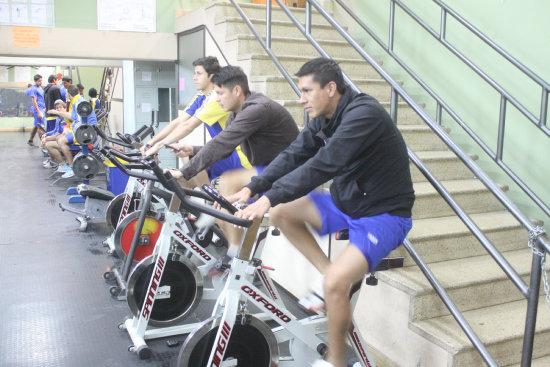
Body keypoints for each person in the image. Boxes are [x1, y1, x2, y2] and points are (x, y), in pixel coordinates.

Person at [227, 58, 415, 367]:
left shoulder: (363, 114)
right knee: (283, 213)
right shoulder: (323, 118)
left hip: (384, 215)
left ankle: (336, 361)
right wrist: (253, 188)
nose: (301, 99)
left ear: (331, 88)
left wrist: (269, 196)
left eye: (306, 91)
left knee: (333, 286)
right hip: (347, 204)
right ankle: (329, 275)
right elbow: (294, 154)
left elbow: (324, 163)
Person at [167, 65, 299, 258]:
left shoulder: (257, 109)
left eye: (220, 93)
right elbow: (226, 148)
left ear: (237, 90)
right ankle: (231, 246)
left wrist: (184, 170)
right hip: (267, 171)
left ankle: (235, 257)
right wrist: (193, 150)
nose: (217, 98)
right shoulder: (234, 116)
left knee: (227, 185)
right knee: (217, 194)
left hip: (288, 173)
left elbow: (222, 143)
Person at [142, 56, 251, 188]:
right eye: (194, 73)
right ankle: (191, 198)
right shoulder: (201, 95)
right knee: (185, 161)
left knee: (192, 161)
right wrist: (151, 143)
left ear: (211, 76)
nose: (194, 77)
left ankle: (208, 200)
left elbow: (188, 126)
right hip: (225, 150)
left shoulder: (215, 98)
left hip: (237, 154)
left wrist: (158, 146)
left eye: (199, 74)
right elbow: (179, 121)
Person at [48, 84, 98, 178]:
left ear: (68, 94)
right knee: (59, 138)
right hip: (83, 130)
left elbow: (80, 122)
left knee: (61, 140)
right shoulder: (76, 101)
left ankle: (71, 167)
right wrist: (58, 113)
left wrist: (69, 131)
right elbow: (73, 117)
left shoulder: (78, 102)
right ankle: (67, 164)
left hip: (86, 133)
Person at [42, 99, 70, 168]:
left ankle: (62, 164)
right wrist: (46, 135)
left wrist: (47, 138)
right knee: (48, 141)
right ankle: (54, 162)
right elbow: (56, 131)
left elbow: (60, 134)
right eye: (57, 108)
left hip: (66, 141)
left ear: (65, 108)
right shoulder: (58, 118)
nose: (58, 109)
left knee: (48, 144)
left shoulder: (66, 118)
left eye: (60, 107)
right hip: (61, 138)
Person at [30, 74, 46, 143]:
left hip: (42, 109)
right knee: (40, 127)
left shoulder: (40, 88)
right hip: (39, 110)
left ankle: (30, 140)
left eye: (41, 81)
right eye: (39, 81)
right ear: (35, 81)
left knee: (36, 125)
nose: (41, 82)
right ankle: (43, 144)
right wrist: (38, 111)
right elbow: (34, 101)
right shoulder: (34, 89)